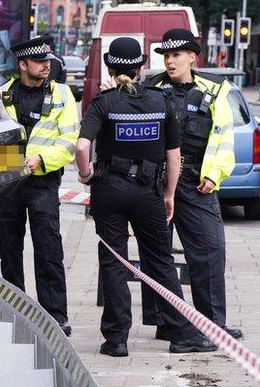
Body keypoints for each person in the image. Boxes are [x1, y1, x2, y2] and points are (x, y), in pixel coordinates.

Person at [75, 37, 218, 357]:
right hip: (148, 192)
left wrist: (86, 175)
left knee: (113, 262)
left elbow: (82, 147)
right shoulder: (160, 101)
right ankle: (181, 334)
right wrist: (169, 194)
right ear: (140, 69)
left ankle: (116, 340)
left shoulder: (104, 102)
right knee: (159, 260)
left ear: (110, 69)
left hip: (109, 189)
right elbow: (174, 156)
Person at [143, 28, 241, 340]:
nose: (170, 62)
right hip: (156, 182)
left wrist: (214, 174)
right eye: (166, 56)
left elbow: (224, 137)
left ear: (192, 58)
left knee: (210, 251)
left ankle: (212, 322)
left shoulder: (214, 90)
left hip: (196, 181)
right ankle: (166, 322)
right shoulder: (150, 88)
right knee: (157, 253)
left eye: (176, 56)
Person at [0, 36, 79, 336]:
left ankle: (56, 315)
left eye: (48, 61)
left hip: (43, 181)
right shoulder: (2, 94)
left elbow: (68, 142)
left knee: (48, 249)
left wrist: (39, 160)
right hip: (8, 183)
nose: (46, 65)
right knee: (9, 249)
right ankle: (15, 309)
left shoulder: (62, 94)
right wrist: (12, 166)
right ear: (22, 65)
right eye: (40, 61)